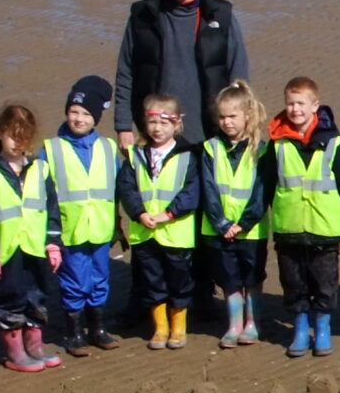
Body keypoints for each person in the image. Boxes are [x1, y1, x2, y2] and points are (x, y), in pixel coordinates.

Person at [113, 0, 249, 150]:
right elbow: (125, 73)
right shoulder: (142, 16)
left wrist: (242, 123)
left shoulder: (221, 15)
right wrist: (123, 127)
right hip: (157, 130)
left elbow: (239, 76)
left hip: (211, 131)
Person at [263, 78, 340, 358]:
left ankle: (322, 328)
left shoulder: (335, 143)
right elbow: (267, 183)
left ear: (315, 106)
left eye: (301, 103)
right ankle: (300, 328)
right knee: (294, 282)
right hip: (288, 228)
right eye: (290, 103)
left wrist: (336, 217)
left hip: (324, 229)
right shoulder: (277, 145)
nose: (295, 109)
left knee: (324, 283)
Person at [0, 105, 61, 374]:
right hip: (7, 248)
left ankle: (35, 344)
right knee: (10, 295)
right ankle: (15, 352)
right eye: (13, 135)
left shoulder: (41, 169)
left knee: (37, 293)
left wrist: (52, 242)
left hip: (36, 245)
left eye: (25, 137)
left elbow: (51, 208)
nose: (19, 143)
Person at [116, 93, 202, 351]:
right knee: (152, 281)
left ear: (177, 124)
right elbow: (127, 188)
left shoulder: (188, 155)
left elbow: (192, 191)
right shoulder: (135, 155)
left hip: (176, 233)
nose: (158, 128)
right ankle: (160, 327)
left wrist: (169, 214)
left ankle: (178, 326)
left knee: (179, 280)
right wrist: (139, 214)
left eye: (165, 123)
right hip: (145, 232)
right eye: (153, 122)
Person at [45, 77, 120, 355]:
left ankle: (97, 328)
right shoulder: (51, 149)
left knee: (100, 278)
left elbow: (118, 188)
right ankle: (73, 332)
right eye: (74, 112)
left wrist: (118, 225)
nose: (79, 118)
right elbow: (44, 194)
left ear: (96, 118)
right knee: (75, 280)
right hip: (70, 230)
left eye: (86, 114)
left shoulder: (108, 148)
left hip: (101, 228)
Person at [200, 81, 271, 349]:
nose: (227, 122)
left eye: (232, 116)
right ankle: (234, 324)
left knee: (252, 278)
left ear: (247, 116)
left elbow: (261, 192)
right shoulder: (210, 149)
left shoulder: (261, 150)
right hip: (219, 230)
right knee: (229, 280)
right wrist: (221, 223)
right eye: (222, 117)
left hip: (251, 231)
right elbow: (207, 190)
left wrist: (243, 223)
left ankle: (252, 324)